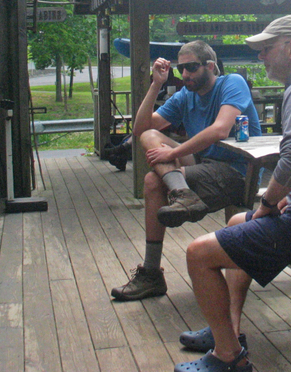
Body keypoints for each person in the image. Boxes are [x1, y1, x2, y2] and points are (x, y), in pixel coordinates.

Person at [173, 16, 291, 372]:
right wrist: (290, 197)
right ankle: (227, 331)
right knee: (233, 221)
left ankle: (229, 358)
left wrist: (267, 203)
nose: (260, 57)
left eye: (265, 49)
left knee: (198, 254)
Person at [110, 40, 262, 302]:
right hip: (204, 165)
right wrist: (156, 84)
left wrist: (173, 153)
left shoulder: (231, 83)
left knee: (152, 181)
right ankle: (183, 194)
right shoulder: (185, 96)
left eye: (191, 67)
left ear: (210, 66)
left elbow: (220, 130)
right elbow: (140, 129)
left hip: (237, 170)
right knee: (147, 135)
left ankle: (151, 273)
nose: (186, 75)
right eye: (181, 69)